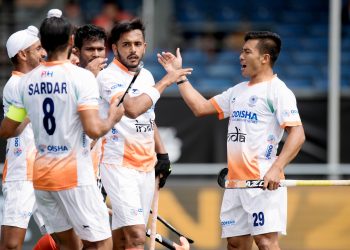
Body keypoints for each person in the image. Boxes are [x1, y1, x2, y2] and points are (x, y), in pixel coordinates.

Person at [158, 31, 305, 250]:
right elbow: (200, 107)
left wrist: (277, 168)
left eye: (247, 52)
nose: (240, 57)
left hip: (262, 182)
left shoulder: (279, 92)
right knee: (235, 244)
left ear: (265, 58)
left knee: (265, 242)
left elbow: (298, 134)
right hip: (235, 182)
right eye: (241, 51)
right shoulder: (237, 91)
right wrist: (178, 76)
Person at [0, 9, 125, 249]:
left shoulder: (26, 82)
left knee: (69, 246)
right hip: (74, 176)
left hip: (42, 178)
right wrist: (113, 117)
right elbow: (93, 129)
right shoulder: (81, 77)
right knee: (101, 244)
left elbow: (7, 130)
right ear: (70, 41)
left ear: (44, 44)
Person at [96, 18, 192, 249]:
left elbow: (148, 118)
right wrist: (167, 80)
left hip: (146, 168)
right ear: (115, 48)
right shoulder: (108, 77)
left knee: (122, 239)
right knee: (138, 237)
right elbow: (132, 109)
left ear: (145, 46)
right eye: (126, 44)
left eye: (138, 44)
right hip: (118, 166)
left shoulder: (146, 76)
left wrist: (163, 155)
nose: (133, 50)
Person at [0, 25, 47, 250]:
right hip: (22, 174)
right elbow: (9, 130)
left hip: (48, 171)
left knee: (65, 240)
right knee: (11, 244)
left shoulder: (39, 81)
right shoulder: (15, 85)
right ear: (23, 54)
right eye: (37, 49)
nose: (43, 53)